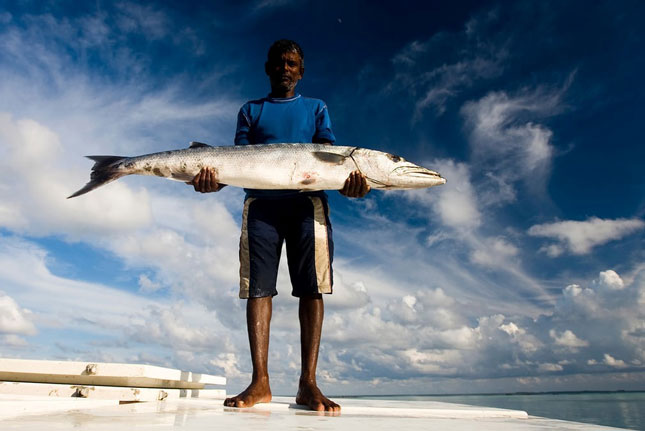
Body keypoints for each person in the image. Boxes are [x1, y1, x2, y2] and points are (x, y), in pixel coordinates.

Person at [190, 39, 369, 412]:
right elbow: (236, 162)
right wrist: (213, 180)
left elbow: (330, 160)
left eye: (292, 64)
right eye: (279, 63)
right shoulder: (250, 111)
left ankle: (308, 384)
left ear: (300, 71)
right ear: (268, 68)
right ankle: (260, 382)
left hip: (308, 205)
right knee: (258, 289)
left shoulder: (317, 108)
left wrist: (351, 184)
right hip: (261, 207)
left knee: (311, 289)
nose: (285, 69)